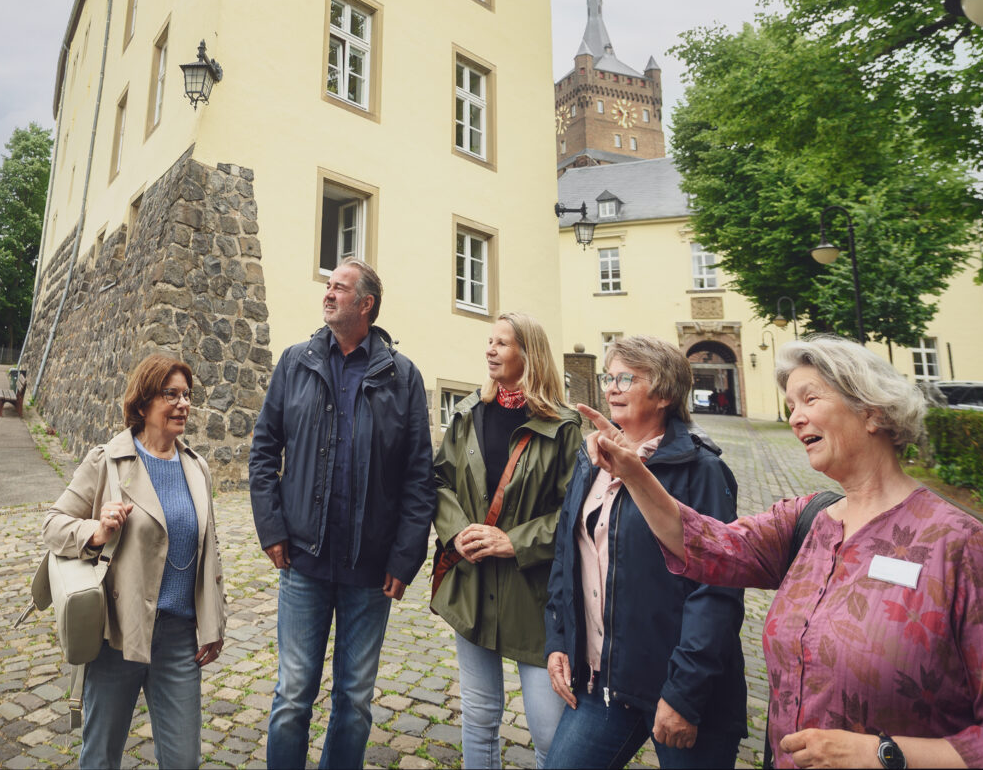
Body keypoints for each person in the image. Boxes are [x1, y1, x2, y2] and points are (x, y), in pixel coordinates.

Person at [587, 337, 983, 770]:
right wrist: (634, 473)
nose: (795, 418)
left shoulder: (959, 545)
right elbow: (707, 545)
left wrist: (883, 753)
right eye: (789, 404)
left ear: (873, 410)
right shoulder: (808, 521)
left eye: (810, 398)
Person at [249, 256, 434, 770]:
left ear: (366, 304)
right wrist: (271, 526)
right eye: (328, 285)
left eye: (339, 287)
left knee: (353, 702)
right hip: (303, 562)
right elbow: (264, 449)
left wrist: (405, 557)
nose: (327, 293)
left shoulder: (404, 377)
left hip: (370, 571)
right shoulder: (295, 362)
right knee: (291, 697)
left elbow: (420, 475)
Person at [544, 336, 746, 770]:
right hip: (605, 683)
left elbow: (717, 591)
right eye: (608, 377)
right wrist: (560, 639)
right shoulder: (592, 459)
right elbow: (567, 554)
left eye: (626, 378)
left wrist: (684, 695)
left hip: (679, 691)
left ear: (666, 394)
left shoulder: (701, 470)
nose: (611, 387)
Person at [43, 353, 226, 770]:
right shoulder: (106, 459)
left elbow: (210, 550)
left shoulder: (197, 469)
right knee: (101, 757)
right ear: (144, 404)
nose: (183, 404)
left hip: (179, 638)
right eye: (171, 394)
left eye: (187, 395)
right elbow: (52, 525)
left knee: (183, 760)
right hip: (117, 635)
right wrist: (96, 531)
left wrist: (214, 623)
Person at [433, 311, 583, 768]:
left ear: (528, 354)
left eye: (501, 343)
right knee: (478, 717)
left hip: (535, 598)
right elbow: (438, 482)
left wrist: (514, 541)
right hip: (473, 587)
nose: (490, 350)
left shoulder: (564, 426)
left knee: (548, 732)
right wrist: (457, 533)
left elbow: (577, 514)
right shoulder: (466, 415)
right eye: (489, 342)